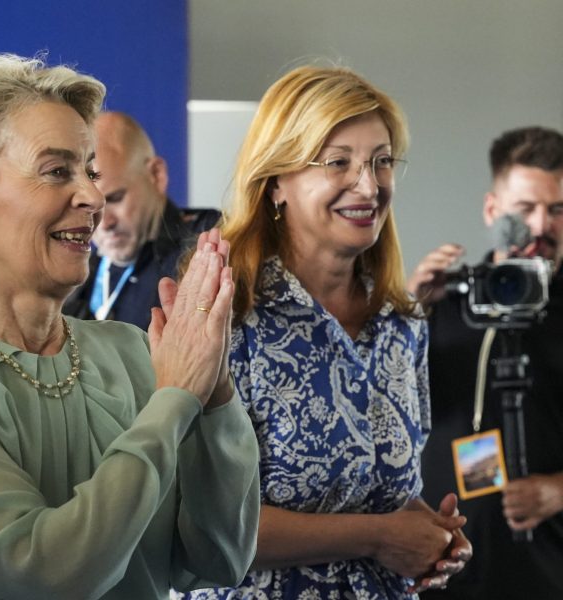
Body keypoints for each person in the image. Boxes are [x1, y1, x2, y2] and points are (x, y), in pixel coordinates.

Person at [0, 52, 260, 600]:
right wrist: (175, 400)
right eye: (56, 171)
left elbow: (218, 561)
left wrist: (214, 395)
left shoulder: (132, 351)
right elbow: (50, 573)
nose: (94, 197)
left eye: (91, 171)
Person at [178, 65, 472, 600]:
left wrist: (430, 535)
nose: (369, 185)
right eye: (339, 162)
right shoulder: (225, 312)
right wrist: (380, 537)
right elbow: (203, 525)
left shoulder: (403, 324)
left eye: (382, 161)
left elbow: (380, 493)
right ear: (276, 183)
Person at [410, 126, 563, 599]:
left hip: (549, 568)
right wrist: (408, 310)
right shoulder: (443, 298)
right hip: (447, 569)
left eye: (558, 210)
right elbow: (376, 409)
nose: (541, 226)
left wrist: (559, 491)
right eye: (525, 209)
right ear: (492, 210)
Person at [63, 111, 219, 330]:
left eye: (115, 199)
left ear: (156, 175)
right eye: (88, 207)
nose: (104, 223)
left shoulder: (208, 244)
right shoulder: (77, 267)